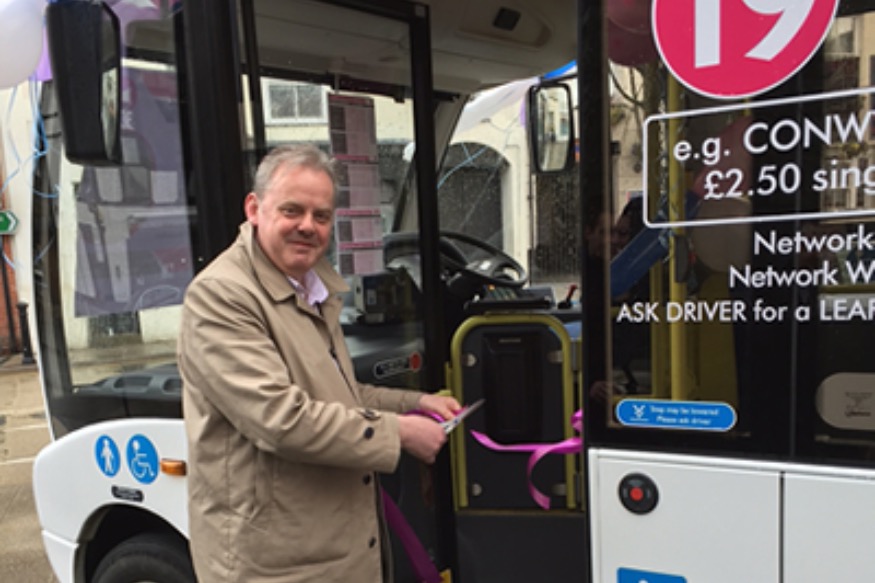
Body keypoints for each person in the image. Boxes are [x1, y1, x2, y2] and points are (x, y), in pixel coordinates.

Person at [178, 144, 461, 583]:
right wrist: (400, 432)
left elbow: (339, 393)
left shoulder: (312, 287)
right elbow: (280, 418)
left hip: (329, 551)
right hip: (277, 566)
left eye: (322, 216)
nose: (307, 226)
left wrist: (416, 404)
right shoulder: (221, 295)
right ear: (254, 209)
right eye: (292, 210)